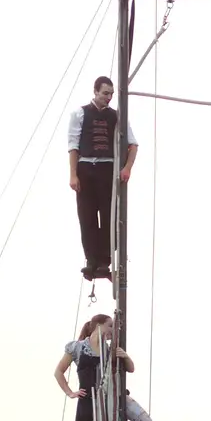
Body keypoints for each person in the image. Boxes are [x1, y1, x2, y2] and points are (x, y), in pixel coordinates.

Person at [68, 75, 138, 281]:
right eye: (105, 93)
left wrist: (127, 168)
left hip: (107, 169)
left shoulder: (117, 116)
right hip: (86, 167)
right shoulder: (80, 113)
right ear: (96, 91)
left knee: (109, 217)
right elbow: (73, 146)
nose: (108, 97)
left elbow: (133, 144)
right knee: (87, 216)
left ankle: (104, 261)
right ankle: (91, 260)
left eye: (111, 94)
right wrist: (73, 174)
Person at [55, 314, 152, 421]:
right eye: (110, 326)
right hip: (91, 402)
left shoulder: (111, 349)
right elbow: (59, 372)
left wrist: (125, 356)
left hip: (115, 395)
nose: (113, 330)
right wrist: (70, 393)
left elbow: (130, 368)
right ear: (99, 326)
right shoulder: (76, 347)